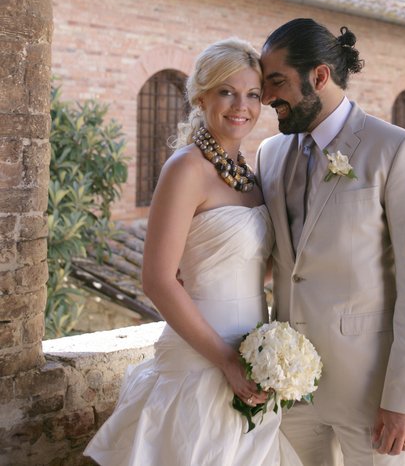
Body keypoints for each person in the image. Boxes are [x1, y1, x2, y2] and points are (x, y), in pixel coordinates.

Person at [84, 37, 302, 466]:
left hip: (254, 360)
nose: (241, 105)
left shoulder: (253, 176)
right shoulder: (185, 169)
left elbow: (248, 268)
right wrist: (225, 361)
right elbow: (157, 280)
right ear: (201, 96)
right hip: (201, 361)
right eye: (227, 92)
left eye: (253, 95)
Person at [256, 18, 405, 466]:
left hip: (373, 393)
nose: (265, 98)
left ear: (319, 76)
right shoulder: (269, 154)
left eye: (276, 81)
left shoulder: (396, 149)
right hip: (288, 391)